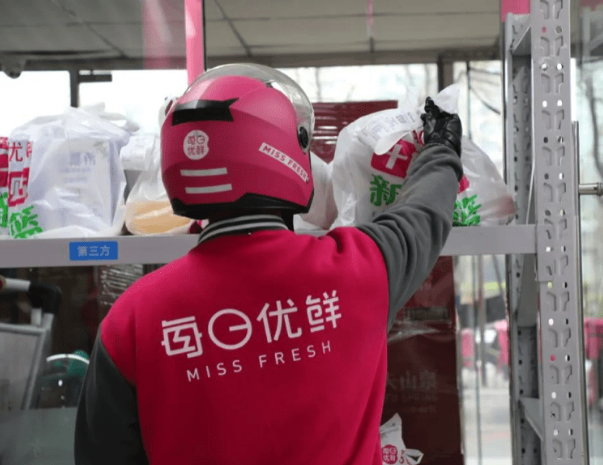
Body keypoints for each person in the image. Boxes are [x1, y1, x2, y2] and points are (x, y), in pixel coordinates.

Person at [74, 63, 463, 465]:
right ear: (284, 150)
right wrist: (441, 146)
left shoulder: (131, 321)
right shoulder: (359, 270)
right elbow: (424, 213)